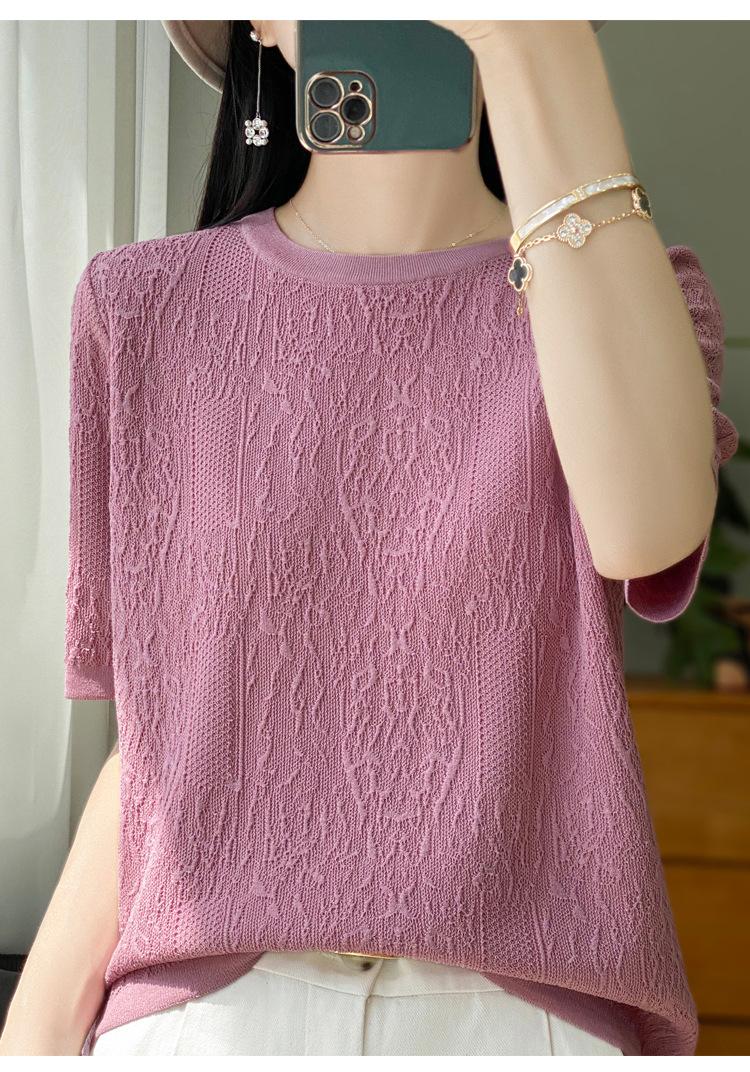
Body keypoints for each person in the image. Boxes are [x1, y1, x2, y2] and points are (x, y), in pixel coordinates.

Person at [0, 19, 738, 1057]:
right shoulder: (140, 308)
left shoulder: (641, 301)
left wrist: (534, 42)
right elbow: (169, 735)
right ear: (256, 18)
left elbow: (642, 531)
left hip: (523, 1014)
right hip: (209, 1018)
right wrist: (35, 1033)